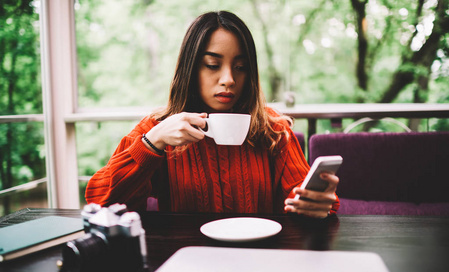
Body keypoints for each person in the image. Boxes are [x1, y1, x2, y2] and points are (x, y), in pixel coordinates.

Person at [85, 11, 340, 218]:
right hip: (186, 261)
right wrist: (153, 142)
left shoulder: (273, 129)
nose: (229, 79)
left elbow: (304, 200)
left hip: (259, 260)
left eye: (240, 67)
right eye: (212, 65)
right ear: (190, 69)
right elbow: (100, 201)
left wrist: (318, 205)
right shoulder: (159, 129)